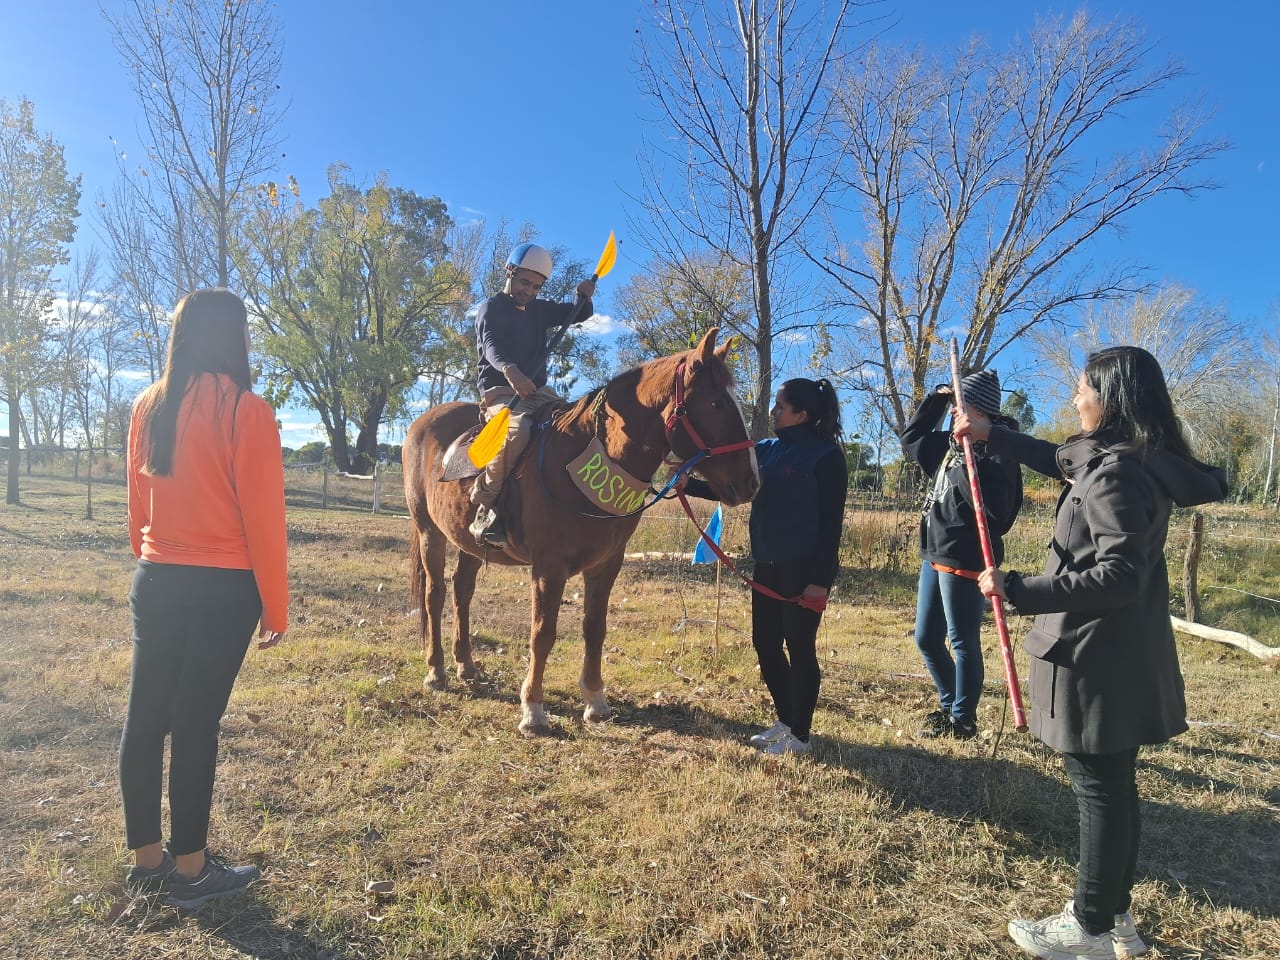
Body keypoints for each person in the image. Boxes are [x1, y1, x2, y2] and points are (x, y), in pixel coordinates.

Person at [956, 347, 1227, 960]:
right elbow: (1059, 458)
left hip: (1094, 655)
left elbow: (1121, 574)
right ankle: (1115, 914)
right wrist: (991, 433)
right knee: (1113, 786)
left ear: (1109, 398)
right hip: (1120, 651)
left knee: (1099, 789)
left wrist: (1019, 588)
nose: (1075, 399)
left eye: (1081, 388)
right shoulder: (1128, 458)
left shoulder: (1117, 473)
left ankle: (1090, 926)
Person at [121, 289, 289, 910]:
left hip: (156, 575)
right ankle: (192, 872)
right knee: (195, 724)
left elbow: (137, 506)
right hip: (224, 588)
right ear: (234, 338)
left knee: (145, 720)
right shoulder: (248, 411)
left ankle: (148, 860)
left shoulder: (148, 406)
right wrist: (276, 605)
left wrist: (151, 557)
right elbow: (264, 520)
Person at [685, 378, 848, 756]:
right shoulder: (766, 451)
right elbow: (735, 491)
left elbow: (831, 525)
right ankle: (787, 721)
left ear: (801, 414)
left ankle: (801, 737)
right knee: (765, 644)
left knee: (800, 647)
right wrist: (687, 483)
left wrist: (820, 581)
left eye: (780, 406)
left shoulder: (826, 457)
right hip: (767, 563)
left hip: (803, 568)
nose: (773, 411)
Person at [900, 370, 1023, 740]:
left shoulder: (1001, 450)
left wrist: (968, 464)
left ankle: (963, 719)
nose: (955, 413)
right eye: (954, 407)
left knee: (961, 640)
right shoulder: (950, 443)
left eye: (961, 406)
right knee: (926, 639)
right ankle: (949, 702)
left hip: (966, 557)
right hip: (933, 551)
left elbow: (1000, 515)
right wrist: (937, 398)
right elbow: (911, 441)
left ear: (981, 411)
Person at [469, 242, 597, 546]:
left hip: (539, 392)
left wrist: (585, 297)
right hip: (501, 392)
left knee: (577, 423)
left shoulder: (540, 309)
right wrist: (511, 371)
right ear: (509, 271)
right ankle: (486, 507)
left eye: (537, 286)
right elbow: (491, 347)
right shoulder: (492, 307)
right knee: (515, 433)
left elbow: (577, 314)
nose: (530, 290)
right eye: (525, 281)